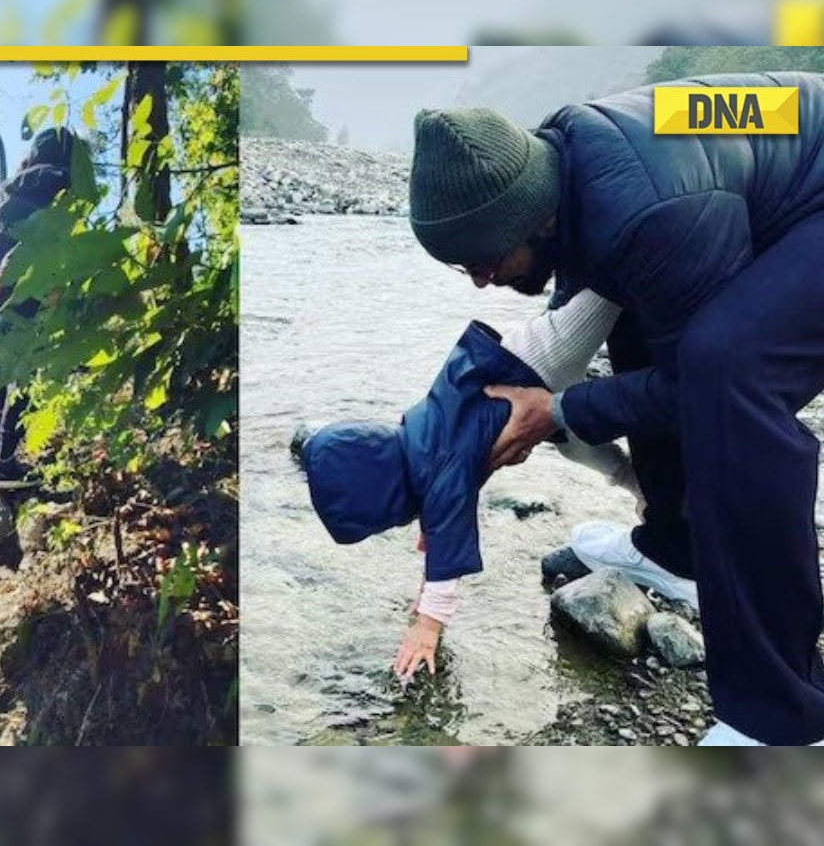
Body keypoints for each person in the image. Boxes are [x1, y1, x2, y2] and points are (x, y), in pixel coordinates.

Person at [408, 72, 824, 745]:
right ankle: (677, 547)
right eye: (463, 269)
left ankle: (785, 717)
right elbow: (565, 341)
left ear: (532, 219)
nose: (481, 280)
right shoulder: (564, 162)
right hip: (779, 159)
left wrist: (560, 412)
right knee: (651, 324)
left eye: (483, 260)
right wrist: (452, 460)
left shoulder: (649, 213)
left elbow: (690, 388)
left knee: (732, 378)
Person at [300, 288, 665, 681]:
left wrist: (428, 626)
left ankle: (629, 260)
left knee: (600, 299)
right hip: (519, 372)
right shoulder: (419, 444)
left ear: (382, 496)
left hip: (533, 363)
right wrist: (429, 555)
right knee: (575, 448)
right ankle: (638, 484)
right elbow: (440, 520)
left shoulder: (438, 470)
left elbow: (449, 543)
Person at [0, 126, 77, 492]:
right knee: (26, 365)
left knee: (9, 360)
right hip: (19, 274)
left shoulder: (8, 185)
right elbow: (59, 234)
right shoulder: (60, 179)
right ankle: (5, 466)